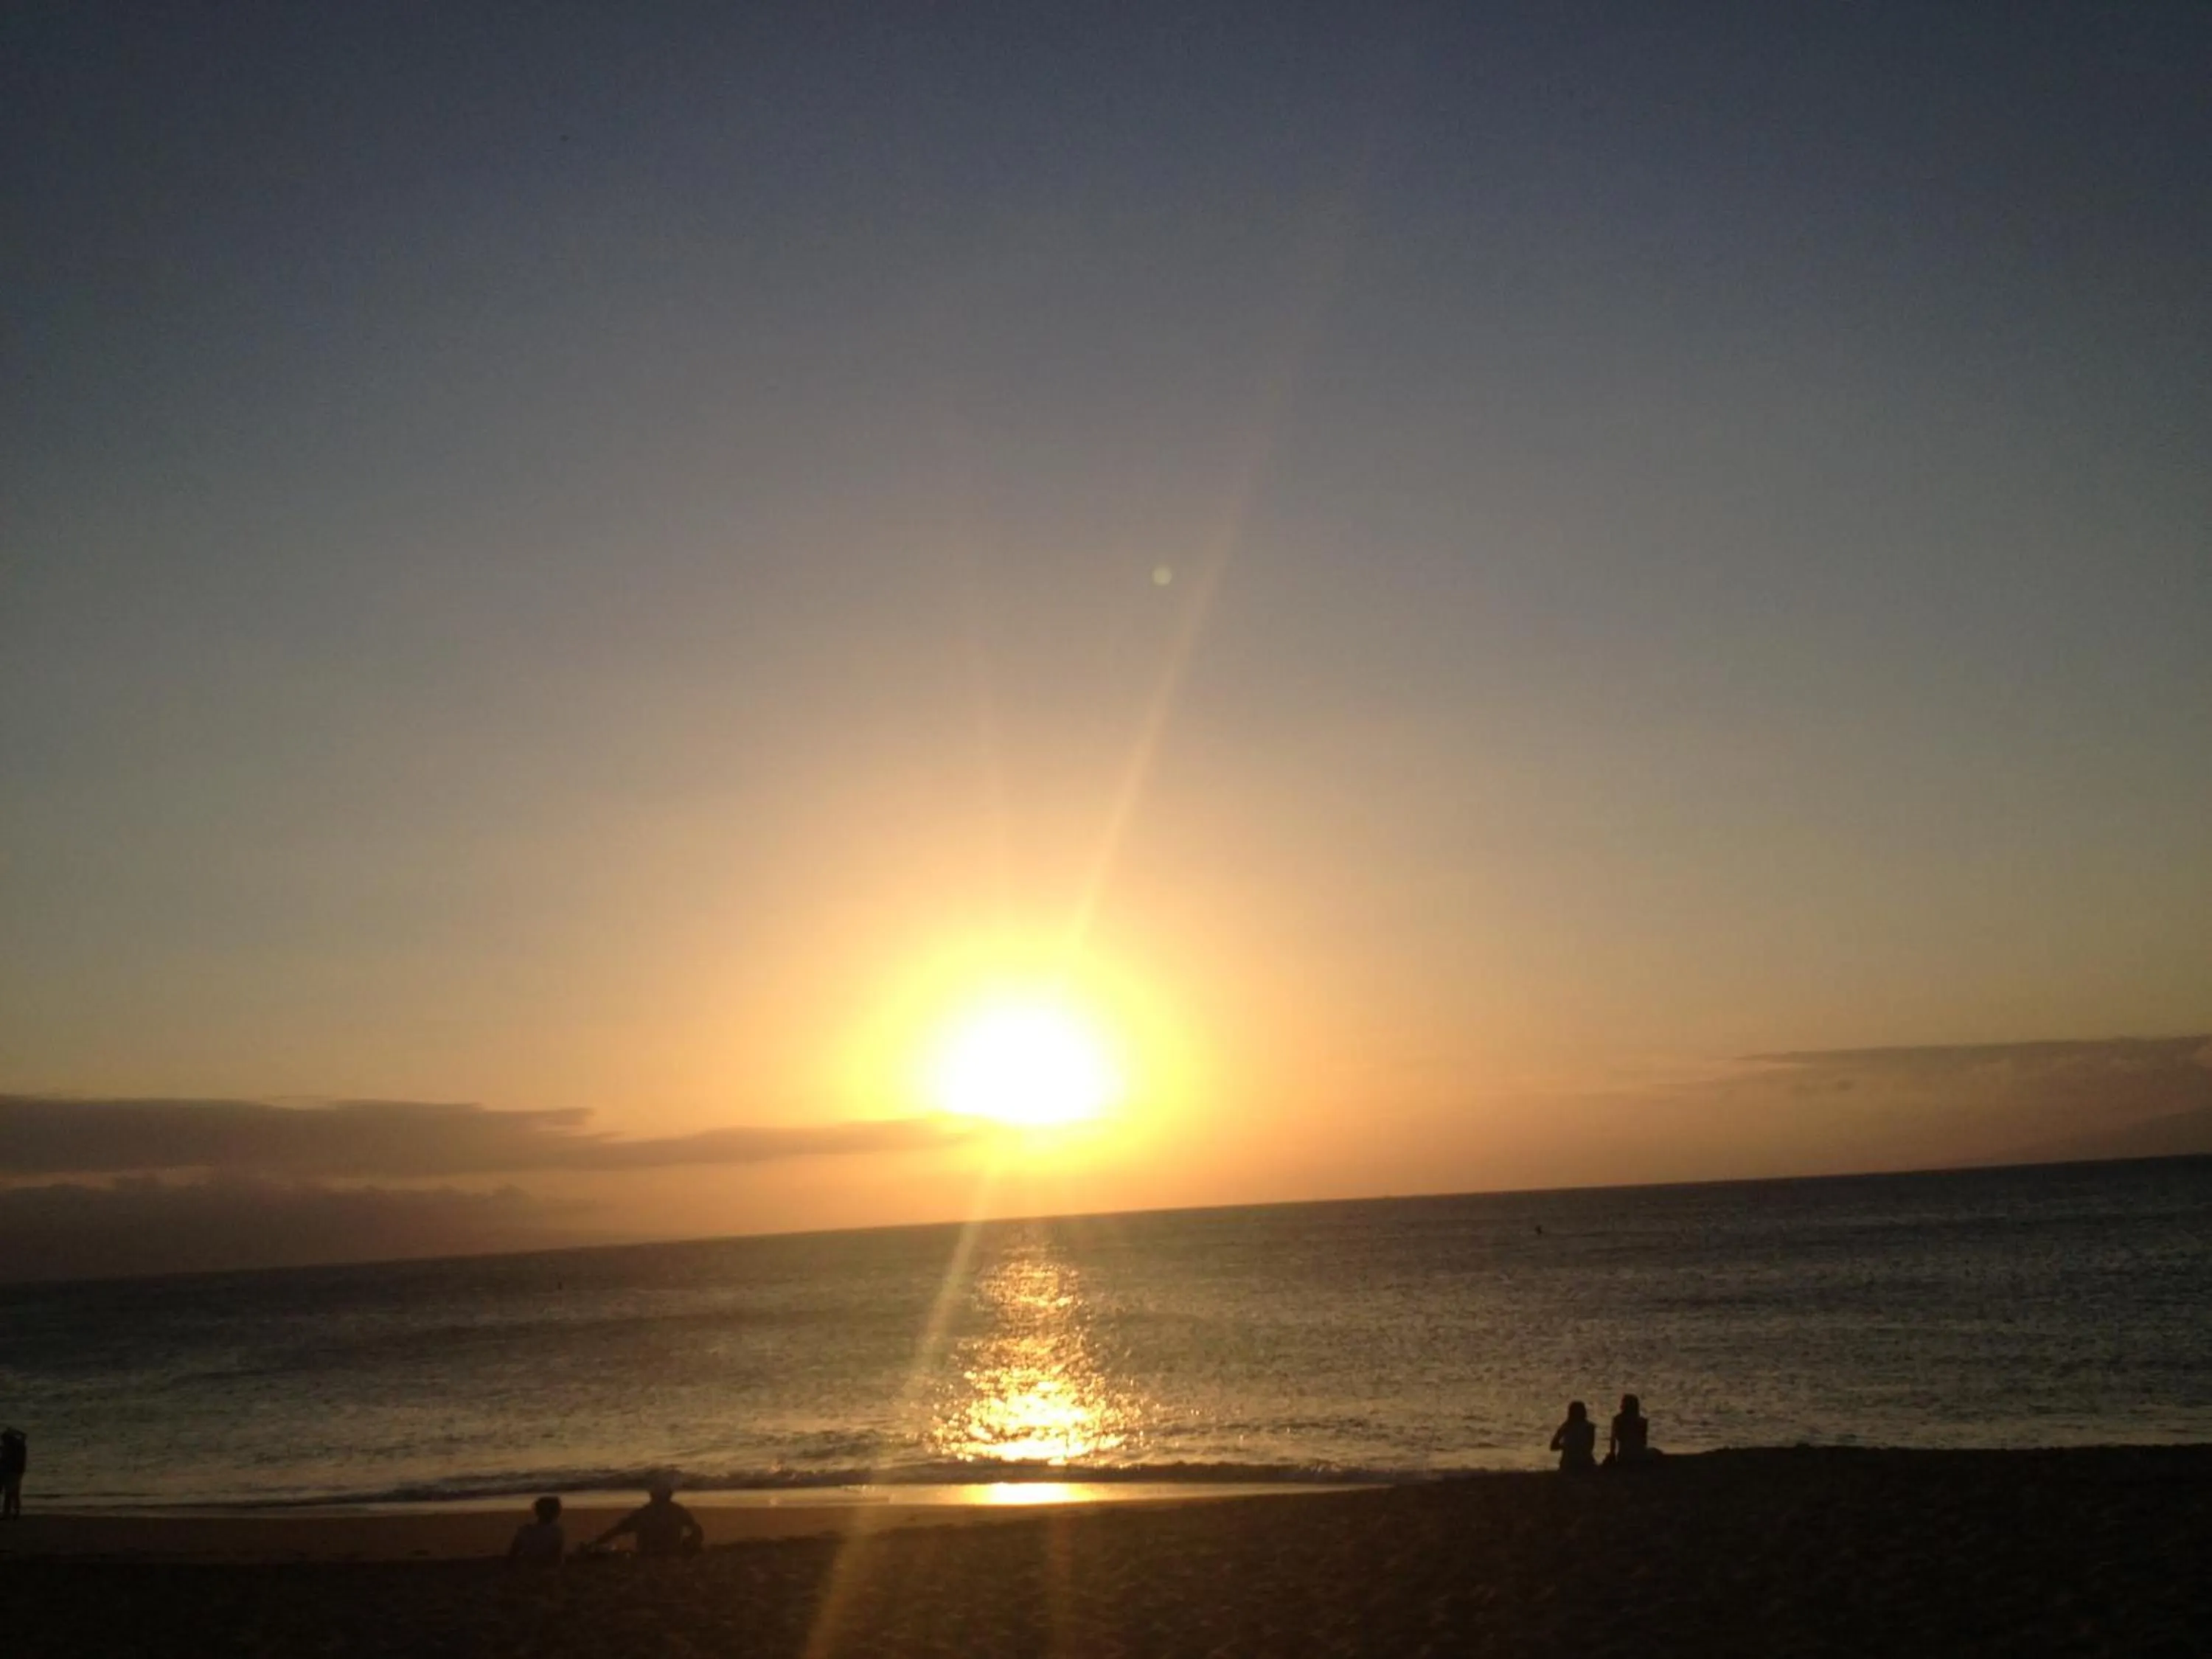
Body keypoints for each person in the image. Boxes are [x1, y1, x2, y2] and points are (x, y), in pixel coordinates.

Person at [588, 1478, 704, 1557]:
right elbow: (697, 1530)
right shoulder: (678, 1511)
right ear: (670, 1495)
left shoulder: (643, 1513)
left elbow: (617, 1530)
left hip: (646, 1554)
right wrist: (690, 1544)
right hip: (672, 1553)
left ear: (652, 1495)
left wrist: (596, 1543)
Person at [507, 1495, 565, 1566]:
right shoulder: (556, 1532)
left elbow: (513, 1553)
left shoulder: (525, 1530)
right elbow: (557, 1559)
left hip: (527, 1567)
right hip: (547, 1570)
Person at [1607, 1393, 1658, 1466]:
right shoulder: (1642, 1422)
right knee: (1656, 1452)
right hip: (1639, 1455)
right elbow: (1643, 1442)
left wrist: (1612, 1454)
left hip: (1623, 1455)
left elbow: (1613, 1441)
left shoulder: (1618, 1420)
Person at [1549, 1400, 1596, 1472]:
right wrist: (1567, 1446)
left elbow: (1553, 1446)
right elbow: (1590, 1447)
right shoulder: (1588, 1427)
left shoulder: (1566, 1427)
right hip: (1578, 1462)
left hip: (1573, 1462)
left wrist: (1566, 1446)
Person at [0, 1428, 24, 1517]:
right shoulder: (18, 1446)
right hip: (14, 1472)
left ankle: (7, 1512)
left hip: (11, 1472)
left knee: (10, 1493)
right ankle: (15, 1511)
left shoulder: (14, 1448)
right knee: (14, 1492)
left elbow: (5, 1460)